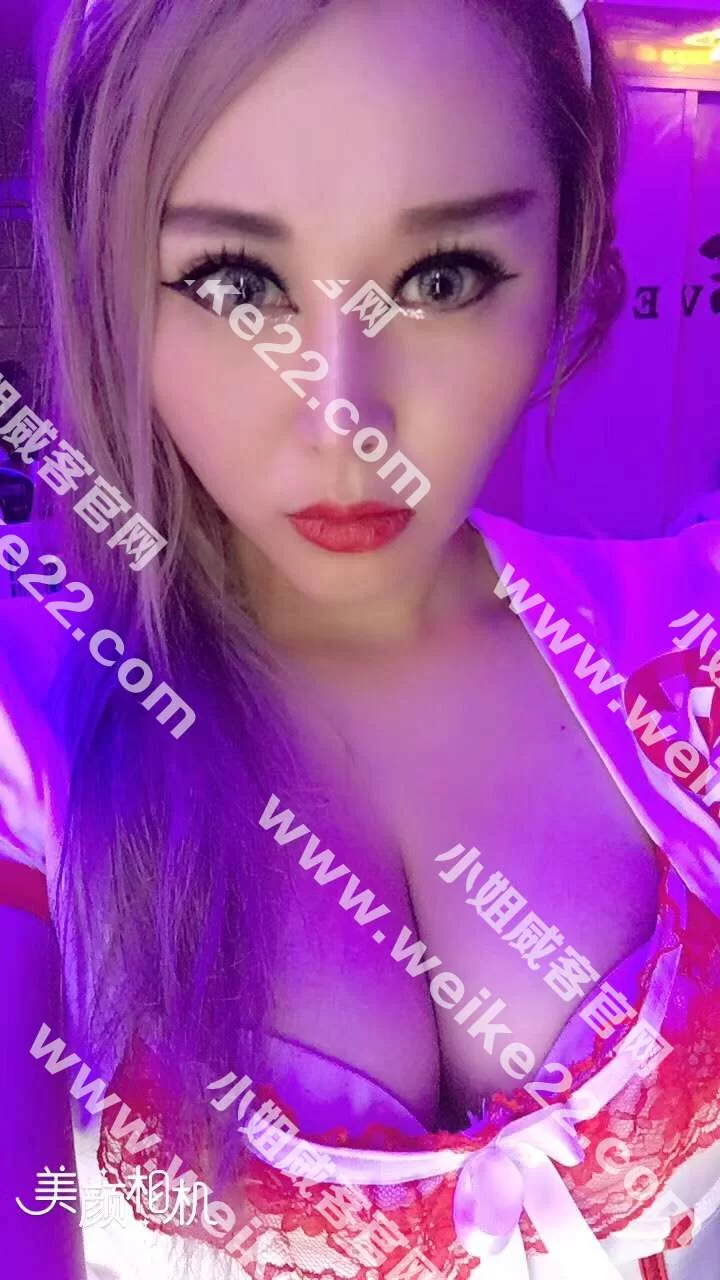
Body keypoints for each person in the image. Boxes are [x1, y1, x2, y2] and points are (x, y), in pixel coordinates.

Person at [1, 0, 719, 1277]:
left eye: (442, 278)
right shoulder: (32, 728)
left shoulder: (688, 639)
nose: (343, 413)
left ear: (570, 253)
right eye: (236, 284)